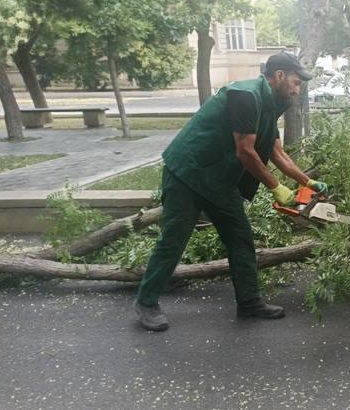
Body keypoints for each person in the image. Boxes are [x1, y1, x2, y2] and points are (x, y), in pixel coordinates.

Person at [134, 52, 328, 331]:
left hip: (219, 180)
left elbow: (275, 151)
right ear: (279, 76)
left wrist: (306, 182)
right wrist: (277, 188)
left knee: (241, 239)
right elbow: (245, 151)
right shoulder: (245, 96)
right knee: (174, 239)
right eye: (296, 83)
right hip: (188, 173)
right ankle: (146, 301)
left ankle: (249, 302)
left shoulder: (271, 103)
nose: (297, 90)